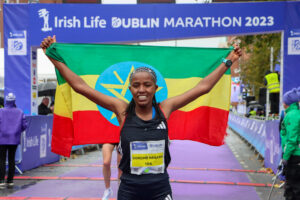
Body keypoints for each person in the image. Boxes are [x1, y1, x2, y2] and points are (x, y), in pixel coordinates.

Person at [41, 36, 241, 200]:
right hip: (130, 190)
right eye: (136, 85)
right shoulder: (122, 111)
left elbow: (202, 87)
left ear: (155, 88)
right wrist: (53, 58)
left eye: (147, 85)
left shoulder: (165, 108)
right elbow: (81, 87)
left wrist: (228, 61)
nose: (142, 90)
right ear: (130, 89)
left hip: (160, 189)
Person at [0, 93, 28, 188]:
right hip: (14, 139)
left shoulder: (1, 111)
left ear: (6, 101)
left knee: (2, 159)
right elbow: (24, 125)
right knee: (12, 159)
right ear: (14, 101)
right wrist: (17, 131)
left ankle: (1, 180)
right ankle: (10, 180)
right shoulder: (19, 112)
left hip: (2, 138)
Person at [280, 88, 300, 200]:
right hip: (296, 155)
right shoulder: (295, 113)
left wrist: (285, 157)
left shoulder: (292, 115)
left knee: (292, 189)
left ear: (287, 103)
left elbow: (292, 140)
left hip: (295, 156)